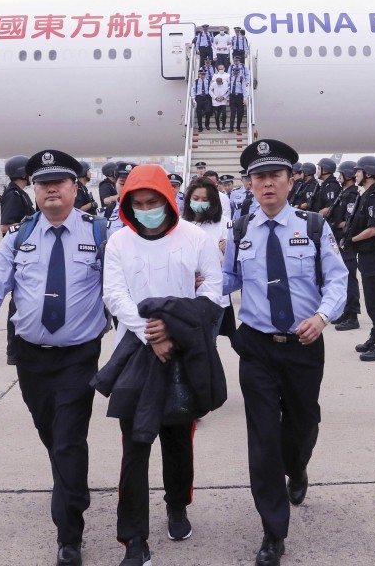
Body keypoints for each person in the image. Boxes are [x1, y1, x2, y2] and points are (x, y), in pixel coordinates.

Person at [0, 149, 109, 566]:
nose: (50, 189)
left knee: (67, 439)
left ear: (74, 186)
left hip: (79, 356)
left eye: (59, 182)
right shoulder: (19, 238)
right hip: (30, 358)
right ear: (36, 191)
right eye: (43, 184)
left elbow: (123, 284)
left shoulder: (100, 233)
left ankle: (69, 534)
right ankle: (73, 489)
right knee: (51, 435)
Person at [222, 139, 347, 566]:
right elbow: (223, 284)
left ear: (291, 180)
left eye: (276, 175)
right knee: (262, 440)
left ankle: (298, 466)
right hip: (256, 346)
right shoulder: (239, 231)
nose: (268, 183)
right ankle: (273, 532)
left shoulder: (313, 227)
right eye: (259, 177)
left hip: (304, 345)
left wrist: (324, 317)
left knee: (301, 425)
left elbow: (337, 279)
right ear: (249, 184)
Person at [100, 164, 223, 566]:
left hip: (183, 354)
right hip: (137, 353)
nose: (146, 210)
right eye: (138, 204)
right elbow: (115, 295)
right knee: (135, 446)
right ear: (128, 206)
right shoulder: (119, 242)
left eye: (154, 202)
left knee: (178, 440)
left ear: (169, 201)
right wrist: (151, 333)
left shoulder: (195, 237)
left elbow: (215, 291)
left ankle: (177, 506)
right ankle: (134, 538)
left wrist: (173, 331)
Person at [344, 156, 375, 360]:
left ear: (368, 173)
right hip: (365, 256)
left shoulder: (373, 198)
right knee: (371, 301)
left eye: (359, 171)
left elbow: (374, 229)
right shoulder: (366, 195)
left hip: (373, 256)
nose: (355, 174)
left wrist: (351, 240)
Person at [183, 178, 233, 330]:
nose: (199, 203)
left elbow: (232, 261)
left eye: (205, 200)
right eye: (196, 199)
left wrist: (227, 252)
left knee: (209, 344)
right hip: (186, 294)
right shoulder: (180, 223)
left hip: (213, 295)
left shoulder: (225, 224)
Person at [0, 155, 36, 366]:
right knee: (17, 303)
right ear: (23, 173)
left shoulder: (20, 193)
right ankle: (13, 351)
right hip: (18, 254)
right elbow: (6, 226)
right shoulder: (13, 195)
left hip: (26, 254)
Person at [329, 161, 361, 331]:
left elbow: (351, 221)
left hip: (346, 242)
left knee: (349, 279)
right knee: (342, 279)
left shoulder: (352, 195)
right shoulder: (344, 193)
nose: (338, 176)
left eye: (341, 174)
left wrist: (336, 224)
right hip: (339, 241)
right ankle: (345, 311)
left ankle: (352, 315)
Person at [209, 67, 230, 131]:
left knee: (224, 114)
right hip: (215, 102)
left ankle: (223, 126)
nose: (218, 84)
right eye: (217, 83)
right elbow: (210, 91)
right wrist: (215, 98)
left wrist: (223, 97)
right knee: (217, 116)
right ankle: (218, 126)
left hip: (223, 101)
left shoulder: (225, 84)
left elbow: (228, 91)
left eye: (219, 83)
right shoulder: (213, 84)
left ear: (221, 82)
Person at [229, 65, 249, 133]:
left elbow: (243, 89)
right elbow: (229, 88)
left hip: (239, 97)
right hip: (232, 97)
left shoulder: (241, 79)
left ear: (239, 72)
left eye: (237, 72)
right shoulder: (230, 78)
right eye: (235, 72)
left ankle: (238, 126)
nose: (236, 73)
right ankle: (231, 127)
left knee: (240, 113)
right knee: (232, 113)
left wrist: (245, 98)